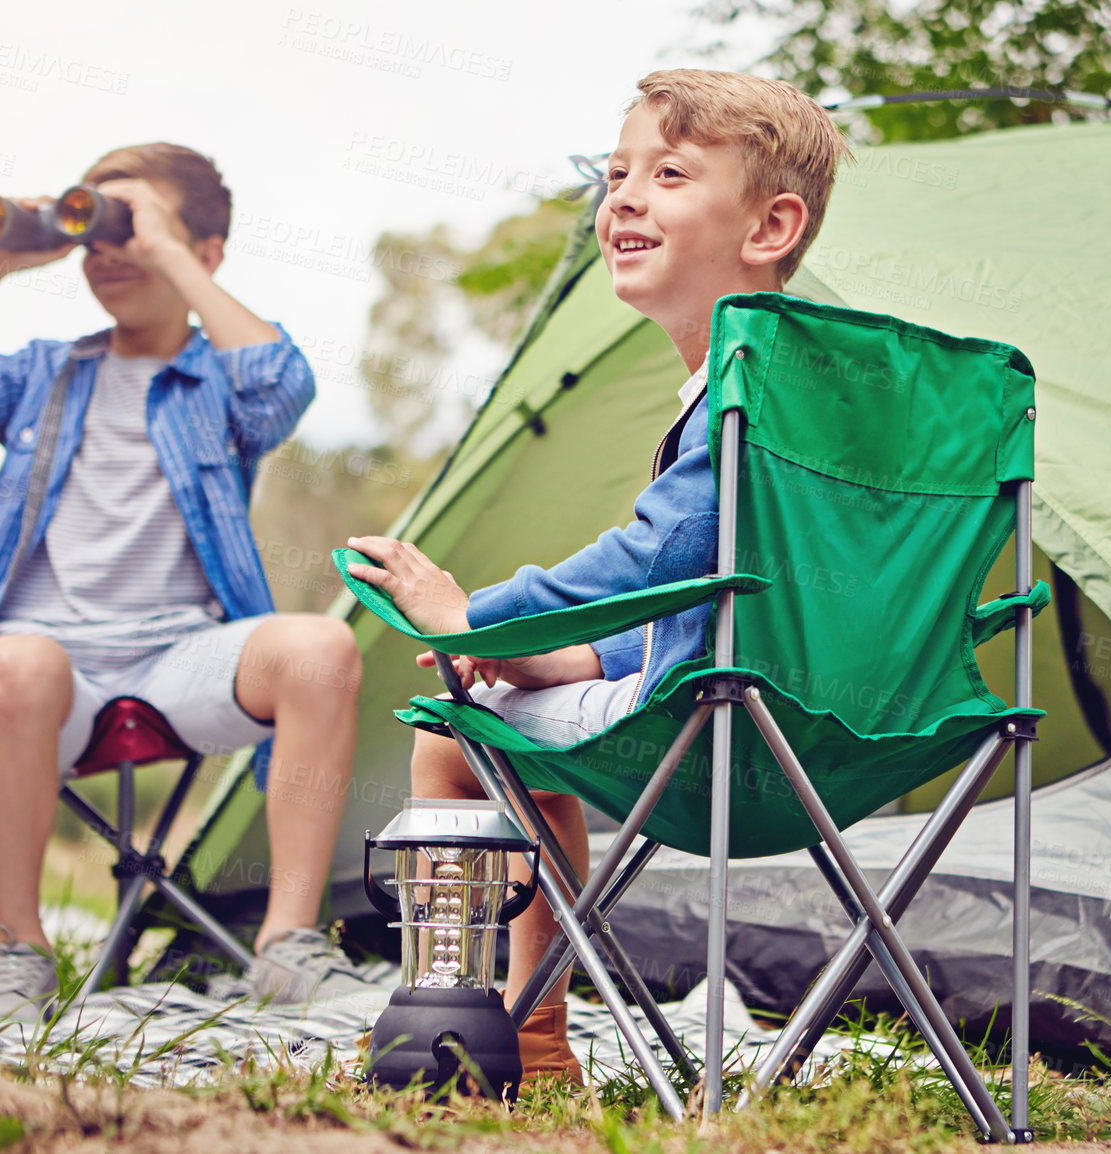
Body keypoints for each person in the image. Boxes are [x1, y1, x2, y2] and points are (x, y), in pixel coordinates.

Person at [345, 69, 850, 1086]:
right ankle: (532, 1027)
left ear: (770, 225)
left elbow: (659, 554)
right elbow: (714, 596)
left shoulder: (741, 390)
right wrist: (543, 654)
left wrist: (476, 614)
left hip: (722, 733)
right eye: (616, 172)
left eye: (667, 173)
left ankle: (488, 1016)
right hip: (850, 734)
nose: (621, 195)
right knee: (521, 694)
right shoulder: (837, 385)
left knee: (449, 732)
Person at [0, 143, 367, 1020]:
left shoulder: (216, 383)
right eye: (96, 227)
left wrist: (165, 253)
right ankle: (17, 953)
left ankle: (288, 946)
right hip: (45, 681)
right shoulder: (42, 372)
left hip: (179, 662)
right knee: (18, 662)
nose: (109, 250)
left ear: (207, 251)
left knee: (320, 646)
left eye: (132, 226)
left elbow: (280, 384)